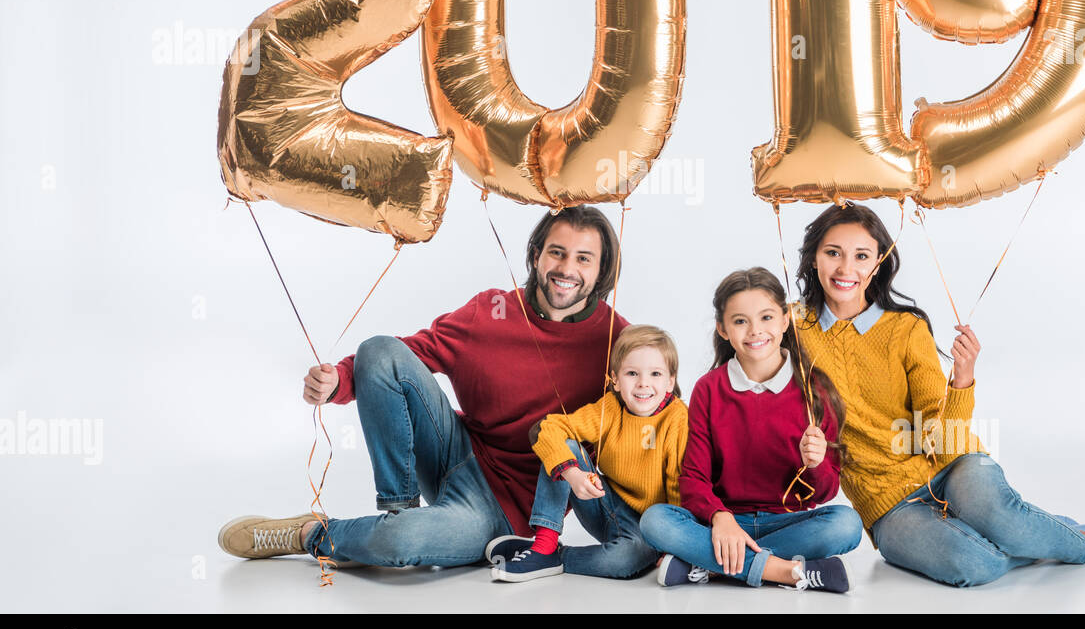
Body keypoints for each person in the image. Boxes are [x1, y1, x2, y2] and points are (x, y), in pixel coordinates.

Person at [216, 206, 629, 572]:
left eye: (583, 258)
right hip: (455, 451)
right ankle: (399, 508)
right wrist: (337, 382)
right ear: (537, 254)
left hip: (502, 513)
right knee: (378, 350)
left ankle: (313, 534)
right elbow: (405, 357)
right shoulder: (492, 311)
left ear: (601, 268)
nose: (566, 268)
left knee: (399, 544)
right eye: (557, 252)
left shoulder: (618, 341)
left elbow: (661, 413)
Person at [793, 201, 1085, 587]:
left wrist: (962, 381)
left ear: (879, 262)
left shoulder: (905, 329)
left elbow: (938, 437)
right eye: (832, 252)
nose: (845, 269)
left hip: (951, 466)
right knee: (975, 566)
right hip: (888, 508)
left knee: (1001, 517)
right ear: (814, 258)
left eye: (861, 256)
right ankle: (1042, 534)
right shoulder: (792, 330)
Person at [640, 268, 863, 594]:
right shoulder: (709, 389)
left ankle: (712, 567)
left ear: (785, 320)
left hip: (788, 521)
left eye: (767, 317)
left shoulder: (814, 390)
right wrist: (721, 517)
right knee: (655, 521)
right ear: (723, 329)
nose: (755, 331)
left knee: (847, 525)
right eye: (741, 321)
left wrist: (815, 465)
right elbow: (693, 480)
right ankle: (788, 572)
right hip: (724, 523)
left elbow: (827, 492)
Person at [491, 324, 689, 582]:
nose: (643, 384)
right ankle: (544, 543)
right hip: (605, 506)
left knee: (623, 561)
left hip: (649, 528)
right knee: (566, 446)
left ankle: (553, 555)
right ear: (615, 380)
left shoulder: (677, 419)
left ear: (670, 381)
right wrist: (573, 474)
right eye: (632, 373)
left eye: (655, 374)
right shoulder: (609, 408)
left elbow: (678, 485)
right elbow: (549, 428)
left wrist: (671, 545)